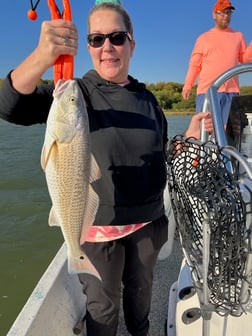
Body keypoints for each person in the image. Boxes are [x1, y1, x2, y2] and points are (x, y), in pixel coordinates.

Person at [0, 2, 212, 336]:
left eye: (116, 37)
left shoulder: (148, 99)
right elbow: (10, 106)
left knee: (141, 301)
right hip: (98, 233)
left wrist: (188, 137)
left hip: (149, 224)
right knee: (103, 308)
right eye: (97, 39)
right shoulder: (75, 93)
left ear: (131, 43)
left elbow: (162, 152)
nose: (107, 46)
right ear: (88, 47)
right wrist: (43, 55)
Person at [182, 0, 252, 126]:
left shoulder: (238, 36)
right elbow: (194, 65)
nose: (226, 16)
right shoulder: (203, 38)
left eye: (229, 13)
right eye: (223, 13)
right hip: (208, 92)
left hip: (232, 92)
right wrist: (188, 85)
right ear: (214, 15)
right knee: (206, 130)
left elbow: (244, 59)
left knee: (229, 134)